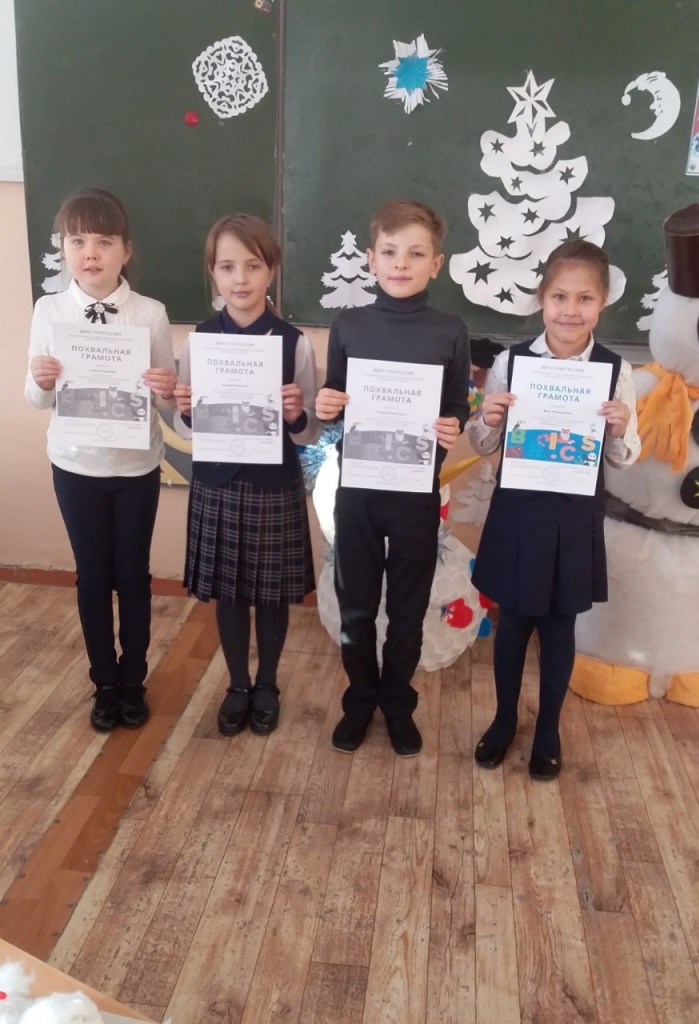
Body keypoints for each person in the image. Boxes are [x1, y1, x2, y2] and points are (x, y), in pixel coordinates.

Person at [469, 240, 640, 779]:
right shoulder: (511, 361)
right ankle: (503, 721)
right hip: (519, 511)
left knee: (560, 626)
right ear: (542, 298)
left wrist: (619, 429)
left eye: (585, 298)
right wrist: (489, 419)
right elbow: (482, 444)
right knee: (514, 623)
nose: (571, 310)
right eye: (560, 296)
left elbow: (625, 457)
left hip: (574, 516)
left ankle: (548, 729)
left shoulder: (616, 370)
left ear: (603, 302)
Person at [316, 198, 471, 757]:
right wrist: (327, 405)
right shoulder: (349, 325)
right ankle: (360, 701)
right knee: (357, 607)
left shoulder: (449, 330)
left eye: (416, 253)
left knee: (407, 608)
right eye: (389, 252)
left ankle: (398, 705)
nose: (401, 263)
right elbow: (334, 402)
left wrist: (454, 423)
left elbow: (457, 403)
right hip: (357, 490)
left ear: (437, 264)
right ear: (371, 259)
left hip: (415, 493)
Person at [24, 188, 177, 731]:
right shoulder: (49, 310)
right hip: (75, 466)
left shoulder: (150, 314)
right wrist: (41, 380)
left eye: (104, 241)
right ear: (63, 249)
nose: (90, 252)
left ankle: (133, 680)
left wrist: (166, 388)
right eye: (77, 240)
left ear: (125, 251)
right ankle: (104, 683)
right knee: (92, 578)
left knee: (132, 577)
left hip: (135, 468)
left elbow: (169, 405)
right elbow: (36, 398)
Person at [174, 214, 320, 737]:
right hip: (217, 482)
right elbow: (185, 426)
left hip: (273, 484)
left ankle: (268, 685)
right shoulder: (200, 341)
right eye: (228, 266)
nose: (241, 278)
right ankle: (238, 684)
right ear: (213, 272)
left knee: (272, 593)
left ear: (271, 270)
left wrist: (297, 414)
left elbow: (309, 432)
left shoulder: (294, 342)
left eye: (253, 266)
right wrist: (186, 409)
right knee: (229, 592)